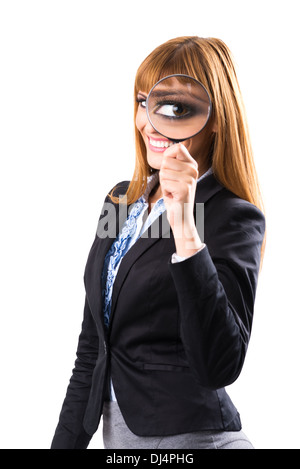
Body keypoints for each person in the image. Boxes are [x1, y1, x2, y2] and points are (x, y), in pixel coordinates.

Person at [51, 36, 266, 449]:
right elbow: (92, 347)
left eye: (175, 108)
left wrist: (184, 219)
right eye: (143, 101)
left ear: (215, 118)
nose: (150, 122)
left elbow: (220, 363)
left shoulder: (230, 214)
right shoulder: (119, 200)